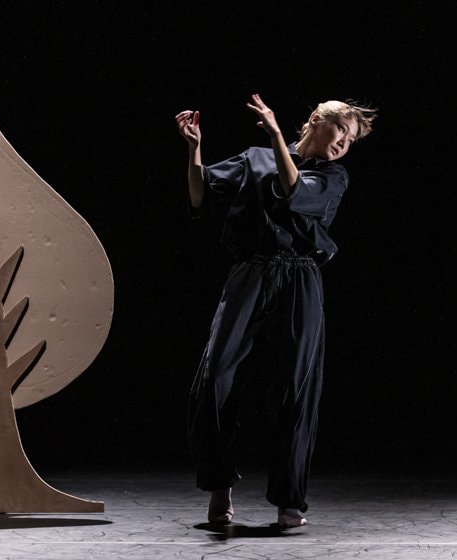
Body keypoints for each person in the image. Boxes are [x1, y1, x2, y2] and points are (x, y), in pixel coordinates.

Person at [175, 94, 376, 528]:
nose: (344, 142)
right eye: (341, 129)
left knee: (296, 386)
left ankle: (288, 501)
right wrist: (193, 148)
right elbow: (200, 197)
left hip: (300, 278)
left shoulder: (333, 175)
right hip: (250, 274)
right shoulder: (255, 158)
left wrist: (277, 135)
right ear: (316, 121)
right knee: (215, 378)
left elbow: (294, 190)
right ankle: (219, 486)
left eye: (351, 138)